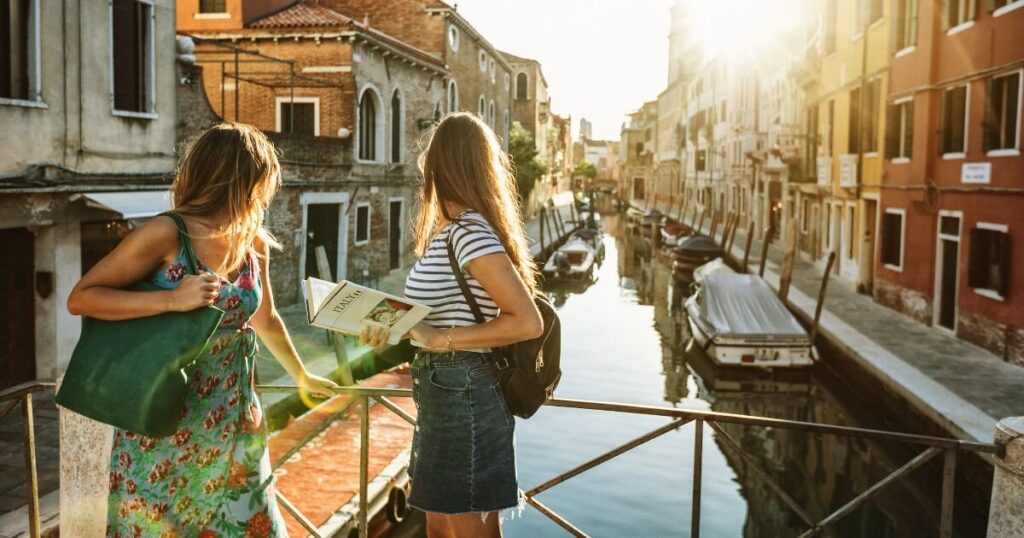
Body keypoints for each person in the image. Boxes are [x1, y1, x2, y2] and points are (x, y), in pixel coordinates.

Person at [67, 123, 338, 537]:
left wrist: (301, 375)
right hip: (163, 419)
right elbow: (82, 297)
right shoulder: (167, 233)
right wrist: (172, 299)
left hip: (236, 419)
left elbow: (263, 317)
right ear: (241, 180)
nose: (266, 193)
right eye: (262, 182)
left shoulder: (253, 242)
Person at [360, 112, 543, 538]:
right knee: (440, 525)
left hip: (466, 393)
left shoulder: (469, 233)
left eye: (430, 159)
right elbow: (435, 316)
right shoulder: (447, 235)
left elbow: (526, 321)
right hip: (441, 392)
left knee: (469, 529)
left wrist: (439, 338)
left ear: (443, 166)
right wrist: (386, 326)